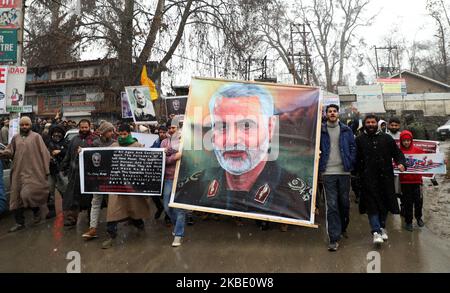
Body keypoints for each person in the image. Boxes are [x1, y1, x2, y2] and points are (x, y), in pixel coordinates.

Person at [175, 83, 313, 221]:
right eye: (222, 126)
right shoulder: (191, 189)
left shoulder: (298, 198)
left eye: (246, 125)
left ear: (270, 128)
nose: (232, 140)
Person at [356, 114, 406, 245]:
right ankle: (376, 231)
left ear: (377, 123)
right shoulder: (360, 140)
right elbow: (355, 158)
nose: (371, 124)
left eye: (373, 122)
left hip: (385, 179)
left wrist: (401, 163)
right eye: (368, 122)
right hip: (368, 179)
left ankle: (382, 227)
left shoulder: (387, 139)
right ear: (365, 124)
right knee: (372, 206)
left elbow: (398, 154)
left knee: (384, 206)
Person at [102, 123, 152, 249]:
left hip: (131, 185)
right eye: (121, 134)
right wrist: (83, 152)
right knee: (113, 211)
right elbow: (101, 155)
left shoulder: (138, 146)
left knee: (134, 207)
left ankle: (139, 225)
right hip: (117, 185)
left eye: (125, 134)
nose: (123, 136)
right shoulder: (114, 146)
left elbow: (147, 161)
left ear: (129, 134)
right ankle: (111, 235)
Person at [0, 116, 51, 232]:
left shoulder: (36, 137)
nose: (24, 127)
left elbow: (45, 154)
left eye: (26, 125)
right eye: (22, 125)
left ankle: (36, 211)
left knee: (28, 195)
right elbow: (9, 151)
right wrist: (3, 153)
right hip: (18, 172)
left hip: (33, 172)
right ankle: (19, 223)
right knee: (16, 198)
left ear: (30, 125)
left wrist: (46, 171)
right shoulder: (15, 138)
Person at [319, 104, 356, 251]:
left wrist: (351, 161)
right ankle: (334, 238)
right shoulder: (321, 130)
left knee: (344, 203)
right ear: (326, 114)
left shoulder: (346, 130)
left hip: (344, 172)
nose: (332, 113)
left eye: (334, 111)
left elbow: (353, 147)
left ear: (338, 114)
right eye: (330, 111)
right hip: (328, 172)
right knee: (332, 205)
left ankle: (343, 227)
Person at [82, 122, 116, 240]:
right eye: (109, 131)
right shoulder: (95, 144)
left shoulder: (114, 143)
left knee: (112, 203)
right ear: (103, 132)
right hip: (98, 179)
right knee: (96, 202)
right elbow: (89, 158)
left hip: (111, 178)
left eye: (112, 131)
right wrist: (82, 152)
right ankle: (93, 228)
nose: (111, 133)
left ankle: (111, 229)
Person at [61, 119, 96, 227]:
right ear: (79, 127)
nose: (84, 129)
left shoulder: (95, 140)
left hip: (89, 175)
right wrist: (64, 166)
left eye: (86, 127)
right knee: (73, 197)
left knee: (90, 198)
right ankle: (71, 218)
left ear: (89, 127)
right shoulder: (74, 140)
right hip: (75, 174)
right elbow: (68, 155)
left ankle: (92, 219)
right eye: (82, 127)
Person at [161, 123, 185, 246]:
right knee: (167, 206)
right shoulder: (164, 142)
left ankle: (179, 235)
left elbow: (187, 157)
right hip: (169, 178)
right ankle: (177, 226)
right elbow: (162, 160)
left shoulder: (185, 141)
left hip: (182, 178)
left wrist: (170, 155)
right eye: (169, 128)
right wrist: (175, 157)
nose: (171, 130)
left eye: (173, 127)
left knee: (180, 208)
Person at [399, 130, 425, 231]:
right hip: (405, 182)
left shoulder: (418, 151)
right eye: (404, 140)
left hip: (417, 181)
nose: (406, 142)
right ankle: (408, 221)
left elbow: (431, 160)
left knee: (419, 201)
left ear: (411, 140)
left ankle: (418, 218)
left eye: (408, 140)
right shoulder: (398, 152)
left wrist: (441, 161)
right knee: (407, 202)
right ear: (401, 141)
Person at [45, 125, 69, 219]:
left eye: (59, 132)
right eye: (54, 132)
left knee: (64, 191)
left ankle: (66, 210)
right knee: (49, 192)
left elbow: (69, 152)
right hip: (50, 171)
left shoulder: (66, 142)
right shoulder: (48, 143)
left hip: (63, 171)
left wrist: (60, 151)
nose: (56, 134)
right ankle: (51, 211)